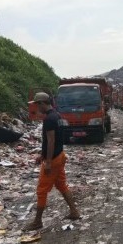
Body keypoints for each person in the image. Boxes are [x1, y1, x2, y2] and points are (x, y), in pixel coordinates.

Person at [24, 92, 80, 231]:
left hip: (54, 160)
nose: (37, 108)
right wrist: (42, 155)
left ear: (42, 103)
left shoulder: (49, 119)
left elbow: (51, 141)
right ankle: (74, 212)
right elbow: (53, 141)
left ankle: (37, 221)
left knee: (42, 190)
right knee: (62, 185)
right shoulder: (57, 115)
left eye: (37, 104)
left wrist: (47, 161)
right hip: (60, 156)